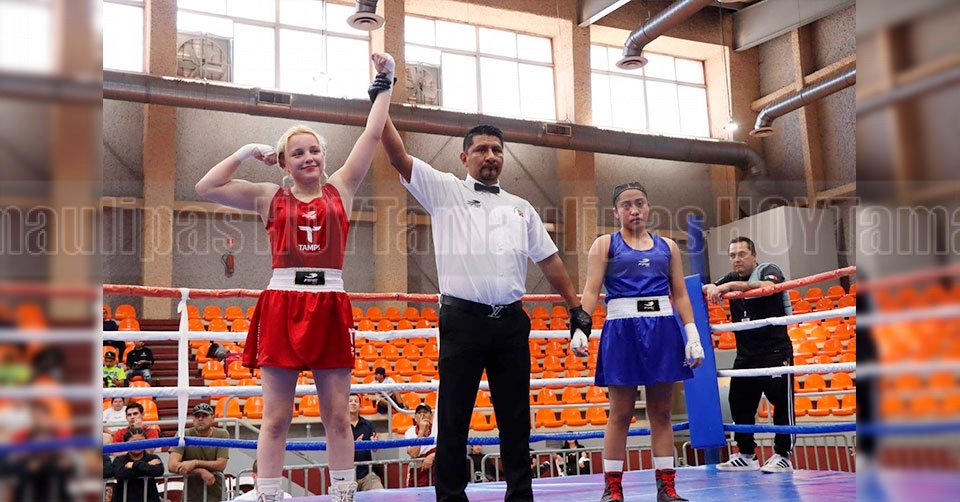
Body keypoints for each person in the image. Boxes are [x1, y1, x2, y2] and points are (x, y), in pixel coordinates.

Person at [195, 52, 396, 502]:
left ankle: (343, 494)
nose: (308, 157)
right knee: (276, 418)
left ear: (324, 156)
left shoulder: (342, 187)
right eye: (298, 153)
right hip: (282, 301)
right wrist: (247, 151)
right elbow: (206, 187)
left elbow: (372, 133)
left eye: (314, 150)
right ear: (284, 162)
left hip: (330, 301)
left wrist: (386, 82)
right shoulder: (269, 195)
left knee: (338, 416)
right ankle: (267, 495)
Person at [381, 120, 593, 502]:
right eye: (481, 149)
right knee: (453, 419)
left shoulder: (521, 208)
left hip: (510, 322)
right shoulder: (446, 190)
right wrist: (380, 104)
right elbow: (398, 156)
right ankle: (450, 498)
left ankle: (520, 496)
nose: (490, 156)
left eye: (497, 149)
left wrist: (576, 308)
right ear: (465, 157)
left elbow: (549, 260)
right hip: (462, 321)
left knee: (516, 419)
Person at [578, 182, 704, 502]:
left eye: (640, 203)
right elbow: (591, 290)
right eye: (626, 205)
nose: (634, 210)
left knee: (662, 412)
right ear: (616, 211)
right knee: (620, 413)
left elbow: (679, 294)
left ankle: (667, 487)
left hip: (662, 328)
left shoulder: (668, 247)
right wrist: (580, 327)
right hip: (621, 329)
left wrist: (692, 334)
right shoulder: (605, 244)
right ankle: (613, 488)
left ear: (648, 207)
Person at [704, 236, 794, 474]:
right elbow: (710, 287)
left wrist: (729, 287)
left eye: (742, 254)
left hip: (775, 352)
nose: (737, 259)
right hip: (746, 355)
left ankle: (783, 455)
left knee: (782, 404)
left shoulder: (769, 269)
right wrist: (712, 287)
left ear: (754, 255)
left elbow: (766, 287)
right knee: (738, 402)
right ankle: (746, 455)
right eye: (732, 255)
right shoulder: (731, 278)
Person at [168, 403, 231, 502]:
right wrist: (200, 471)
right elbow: (172, 465)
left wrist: (195, 463)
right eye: (197, 416)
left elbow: (221, 464)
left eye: (204, 415)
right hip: (191, 497)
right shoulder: (183, 434)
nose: (200, 419)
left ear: (213, 418)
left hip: (216, 495)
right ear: (193, 418)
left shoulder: (222, 434)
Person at [112, 428, 164, 502]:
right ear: (126, 443)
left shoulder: (153, 457)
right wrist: (146, 466)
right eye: (133, 442)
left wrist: (134, 464)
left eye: (141, 441)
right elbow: (120, 474)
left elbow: (159, 470)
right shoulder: (120, 460)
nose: (137, 445)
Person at [348, 394, 384, 491]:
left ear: (360, 406)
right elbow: (337, 451)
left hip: (367, 474)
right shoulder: (340, 426)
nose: (353, 403)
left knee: (379, 490)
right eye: (350, 401)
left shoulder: (368, 425)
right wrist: (354, 446)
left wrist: (375, 443)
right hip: (346, 475)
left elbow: (375, 449)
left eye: (356, 401)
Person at [404, 404, 437, 487]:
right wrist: (421, 431)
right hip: (417, 475)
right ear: (415, 418)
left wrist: (432, 456)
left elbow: (447, 449)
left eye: (425, 412)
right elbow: (413, 454)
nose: (422, 415)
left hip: (437, 473)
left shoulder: (438, 430)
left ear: (431, 416)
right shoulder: (409, 432)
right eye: (419, 413)